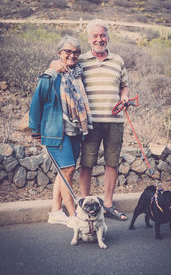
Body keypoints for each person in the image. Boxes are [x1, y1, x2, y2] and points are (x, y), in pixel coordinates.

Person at [49, 19, 130, 221]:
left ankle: (108, 204)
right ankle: (86, 203)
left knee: (112, 163)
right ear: (89, 39)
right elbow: (60, 64)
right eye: (95, 36)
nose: (99, 39)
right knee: (87, 163)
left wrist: (125, 96)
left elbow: (124, 85)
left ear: (108, 38)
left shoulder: (118, 60)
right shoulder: (80, 59)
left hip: (115, 121)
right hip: (89, 123)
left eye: (102, 35)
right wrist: (53, 63)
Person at [29, 35, 92, 227]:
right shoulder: (51, 75)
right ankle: (74, 216)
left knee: (64, 172)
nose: (72, 55)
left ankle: (56, 211)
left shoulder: (78, 75)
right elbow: (37, 101)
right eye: (68, 51)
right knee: (68, 169)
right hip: (56, 131)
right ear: (59, 53)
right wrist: (35, 129)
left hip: (74, 131)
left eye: (76, 52)